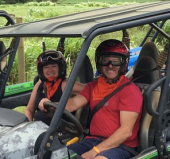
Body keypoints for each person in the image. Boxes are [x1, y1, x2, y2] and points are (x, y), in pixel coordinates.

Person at [64, 39, 143, 159]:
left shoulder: (129, 91)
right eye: (105, 61)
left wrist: (95, 151)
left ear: (123, 63)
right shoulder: (93, 86)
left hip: (120, 146)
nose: (110, 65)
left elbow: (126, 131)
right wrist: (49, 104)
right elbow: (73, 104)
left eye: (115, 61)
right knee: (60, 154)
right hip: (92, 140)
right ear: (99, 63)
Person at [25, 50, 85, 126]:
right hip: (37, 129)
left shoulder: (66, 84)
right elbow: (29, 110)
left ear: (60, 68)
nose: (50, 70)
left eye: (53, 66)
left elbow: (90, 89)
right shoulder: (40, 84)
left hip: (58, 132)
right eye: (46, 67)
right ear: (41, 70)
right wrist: (29, 126)